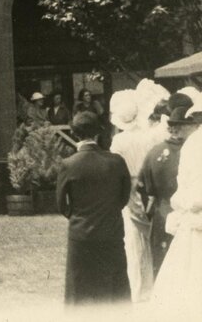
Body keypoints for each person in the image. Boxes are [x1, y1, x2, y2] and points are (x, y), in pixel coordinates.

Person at [57, 111, 131, 306]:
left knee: (80, 292)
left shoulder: (68, 164)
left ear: (74, 134)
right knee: (115, 292)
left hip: (81, 236)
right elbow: (123, 197)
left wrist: (80, 217)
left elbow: (61, 205)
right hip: (111, 233)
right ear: (98, 134)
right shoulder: (116, 161)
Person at [109, 90, 165, 302]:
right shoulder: (147, 136)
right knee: (148, 235)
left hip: (129, 186)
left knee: (132, 239)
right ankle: (150, 285)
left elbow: (115, 167)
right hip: (147, 185)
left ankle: (136, 287)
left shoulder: (119, 141)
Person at [139, 94, 198, 277]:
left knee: (165, 265)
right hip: (189, 213)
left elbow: (144, 187)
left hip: (163, 212)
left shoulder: (155, 152)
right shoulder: (194, 148)